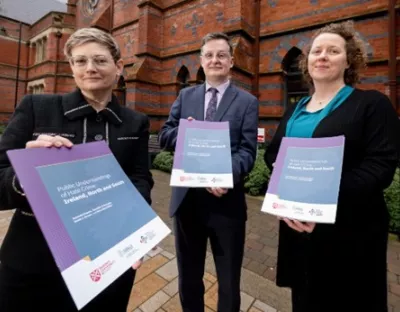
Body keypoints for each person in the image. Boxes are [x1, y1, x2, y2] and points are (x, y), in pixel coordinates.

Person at [0, 27, 153, 311]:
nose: (90, 68)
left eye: (100, 60)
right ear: (71, 67)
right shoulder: (37, 107)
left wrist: (137, 232)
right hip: (34, 263)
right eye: (80, 61)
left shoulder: (136, 122)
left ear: (118, 66)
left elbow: (140, 178)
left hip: (108, 264)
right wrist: (25, 178)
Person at [264, 20, 400, 312]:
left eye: (333, 51)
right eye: (316, 51)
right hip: (297, 227)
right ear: (308, 60)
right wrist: (282, 177)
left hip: (350, 231)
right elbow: (272, 155)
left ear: (349, 60)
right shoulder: (295, 109)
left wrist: (319, 193)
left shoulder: (371, 104)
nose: (322, 56)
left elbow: (381, 167)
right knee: (304, 299)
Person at [159, 32, 259, 312]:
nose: (215, 60)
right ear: (201, 61)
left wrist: (226, 176)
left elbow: (248, 152)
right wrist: (183, 133)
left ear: (231, 61)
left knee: (228, 281)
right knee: (189, 277)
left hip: (225, 204)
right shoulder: (185, 95)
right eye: (209, 55)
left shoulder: (247, 102)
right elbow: (165, 135)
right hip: (187, 200)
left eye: (221, 55)